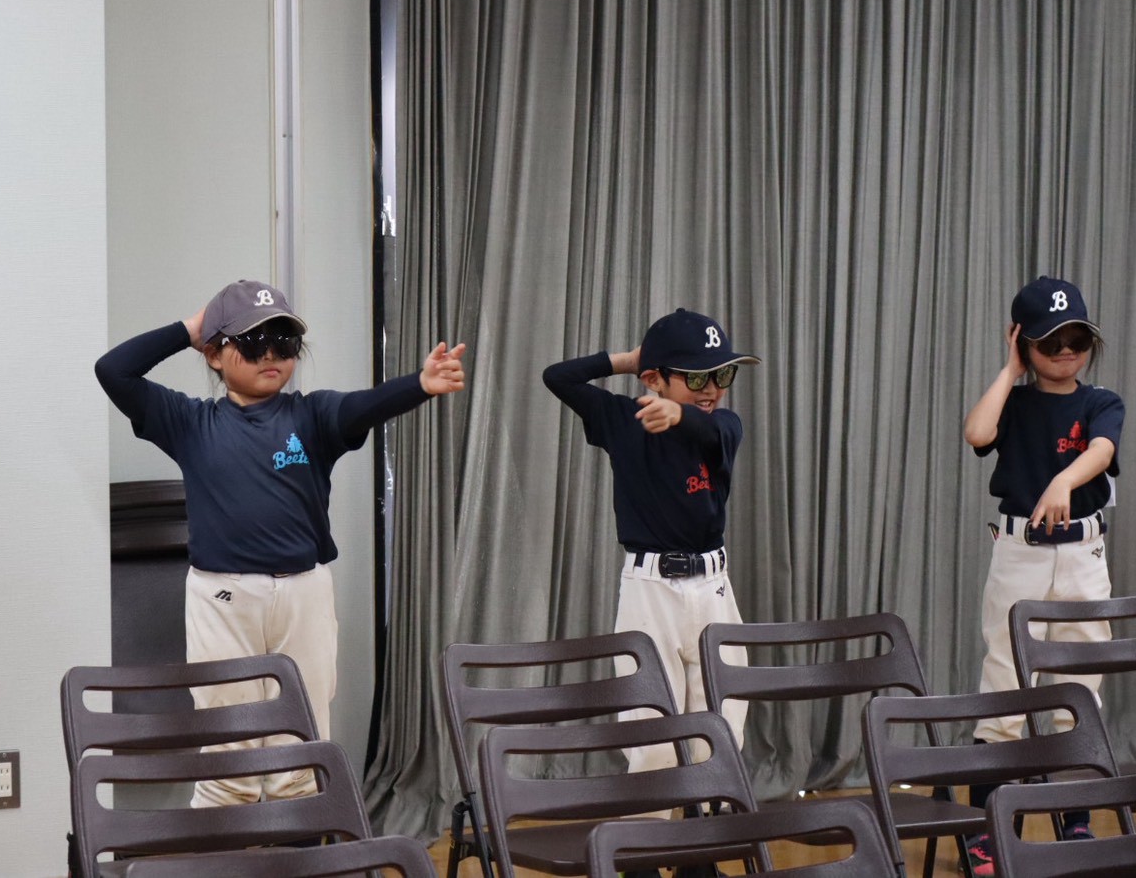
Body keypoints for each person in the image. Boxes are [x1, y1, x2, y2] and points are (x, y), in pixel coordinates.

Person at [95, 279, 465, 805]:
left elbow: (366, 406)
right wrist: (190, 328)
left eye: (284, 342)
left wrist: (420, 385)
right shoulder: (188, 422)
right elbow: (113, 371)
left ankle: (300, 843)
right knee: (230, 749)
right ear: (215, 354)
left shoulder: (312, 415)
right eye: (251, 342)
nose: (270, 354)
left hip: (303, 593)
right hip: (222, 598)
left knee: (302, 746)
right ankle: (223, 845)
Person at [543, 309, 759, 771]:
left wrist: (679, 411)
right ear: (654, 379)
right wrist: (627, 361)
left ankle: (715, 813)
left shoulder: (724, 425)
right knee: (651, 726)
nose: (712, 388)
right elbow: (557, 377)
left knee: (723, 721)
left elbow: (712, 427)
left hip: (713, 588)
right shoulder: (624, 419)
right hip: (650, 589)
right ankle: (655, 816)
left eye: (723, 374)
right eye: (697, 377)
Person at [960, 275, 1122, 873]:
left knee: (1079, 686)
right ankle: (988, 827)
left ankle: (1074, 819)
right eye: (1051, 341)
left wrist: (1064, 480)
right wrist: (1010, 370)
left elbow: (1102, 450)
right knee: (1005, 683)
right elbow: (977, 433)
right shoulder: (1016, 400)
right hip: (1020, 551)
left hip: (1083, 554)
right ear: (1024, 342)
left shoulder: (1101, 401)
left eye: (1078, 338)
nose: (1066, 351)